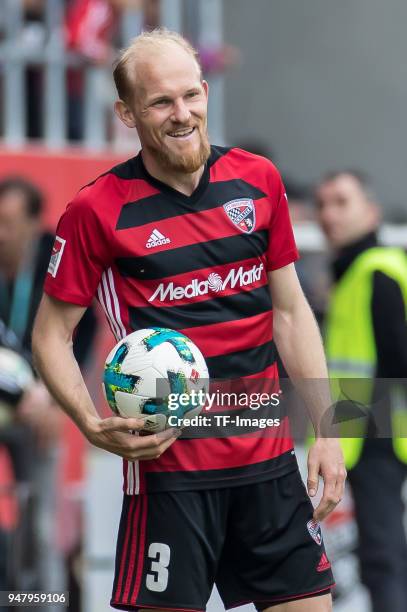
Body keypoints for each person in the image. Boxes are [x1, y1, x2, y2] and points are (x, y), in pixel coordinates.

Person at [32, 29, 345, 612]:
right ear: (127, 113)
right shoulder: (95, 210)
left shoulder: (258, 180)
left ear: (205, 91)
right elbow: (50, 335)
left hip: (268, 466)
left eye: (190, 96)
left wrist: (328, 429)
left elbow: (291, 312)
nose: (182, 115)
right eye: (160, 102)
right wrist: (87, 421)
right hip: (170, 474)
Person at [315, 170, 407, 612]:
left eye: (341, 202)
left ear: (370, 213)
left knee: (383, 560)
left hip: (379, 435)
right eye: (323, 204)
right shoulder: (356, 271)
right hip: (371, 433)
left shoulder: (374, 272)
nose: (328, 213)